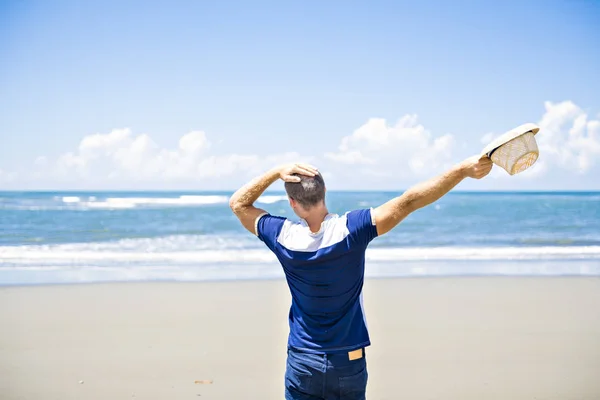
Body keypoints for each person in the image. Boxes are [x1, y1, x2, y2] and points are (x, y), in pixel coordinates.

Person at [229, 155, 493, 400]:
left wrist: (277, 172)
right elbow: (410, 200)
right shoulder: (352, 229)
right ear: (324, 193)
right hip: (348, 359)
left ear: (293, 204)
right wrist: (462, 170)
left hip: (303, 359)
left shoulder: (282, 236)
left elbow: (239, 203)